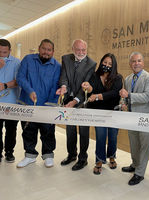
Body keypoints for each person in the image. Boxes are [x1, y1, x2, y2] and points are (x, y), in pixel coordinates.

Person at [16, 39, 61, 168]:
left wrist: (49, 105)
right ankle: (30, 155)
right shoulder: (28, 59)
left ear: (53, 52)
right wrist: (29, 90)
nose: (46, 52)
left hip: (47, 105)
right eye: (44, 48)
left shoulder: (57, 66)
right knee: (28, 131)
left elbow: (55, 86)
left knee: (48, 131)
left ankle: (48, 155)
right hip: (28, 103)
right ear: (39, 48)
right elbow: (20, 77)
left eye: (49, 50)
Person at [57, 39, 96, 171]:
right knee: (70, 130)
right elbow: (64, 76)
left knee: (84, 131)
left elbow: (85, 85)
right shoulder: (66, 58)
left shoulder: (91, 64)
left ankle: (83, 158)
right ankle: (71, 155)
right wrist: (63, 87)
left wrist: (75, 102)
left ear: (86, 49)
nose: (80, 52)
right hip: (68, 99)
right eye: (78, 50)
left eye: (83, 50)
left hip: (82, 101)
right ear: (73, 49)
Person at [82, 53, 122, 175]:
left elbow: (115, 93)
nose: (107, 65)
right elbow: (90, 92)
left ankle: (112, 157)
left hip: (113, 112)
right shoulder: (94, 76)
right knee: (100, 136)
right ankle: (99, 161)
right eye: (105, 62)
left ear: (113, 65)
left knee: (113, 137)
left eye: (110, 64)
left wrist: (99, 96)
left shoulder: (118, 77)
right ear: (101, 62)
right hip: (98, 113)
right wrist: (88, 88)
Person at [119, 52, 149, 185]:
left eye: (139, 61)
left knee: (144, 146)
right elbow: (124, 97)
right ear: (130, 64)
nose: (136, 63)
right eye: (134, 61)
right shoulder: (128, 79)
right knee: (134, 144)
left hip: (146, 118)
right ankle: (134, 165)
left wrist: (128, 95)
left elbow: (146, 97)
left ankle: (139, 173)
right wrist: (123, 103)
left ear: (143, 63)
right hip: (131, 117)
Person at [0, 39, 20, 163]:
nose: (2, 54)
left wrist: (5, 85)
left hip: (12, 102)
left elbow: (20, 80)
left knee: (11, 129)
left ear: (10, 51)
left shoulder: (17, 62)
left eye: (4, 52)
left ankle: (9, 152)